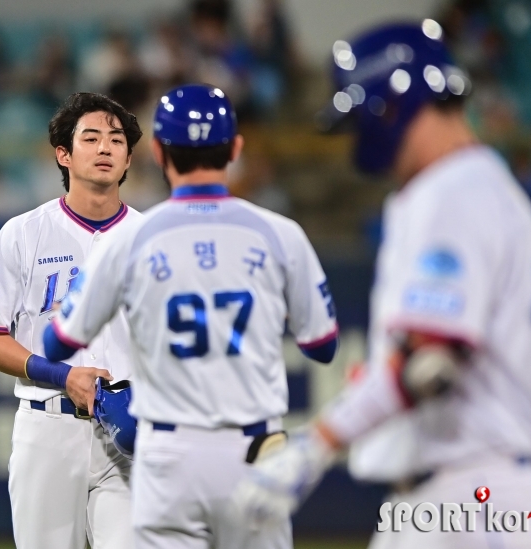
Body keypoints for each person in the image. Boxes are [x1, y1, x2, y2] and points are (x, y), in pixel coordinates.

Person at [235, 21, 531, 549]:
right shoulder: (477, 184)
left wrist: (319, 441)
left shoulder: (454, 190)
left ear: (390, 106)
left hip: (474, 500)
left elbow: (429, 361)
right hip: (464, 496)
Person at [43, 83, 339, 549]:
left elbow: (57, 342)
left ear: (158, 151)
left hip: (169, 456)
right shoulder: (281, 234)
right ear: (235, 149)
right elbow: (322, 346)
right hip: (255, 451)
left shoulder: (129, 239)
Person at [0, 92, 143, 549]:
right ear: (63, 154)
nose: (105, 148)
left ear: (127, 160)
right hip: (48, 427)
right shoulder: (24, 233)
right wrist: (63, 376)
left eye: (116, 140)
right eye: (91, 137)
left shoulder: (152, 238)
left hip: (133, 436)